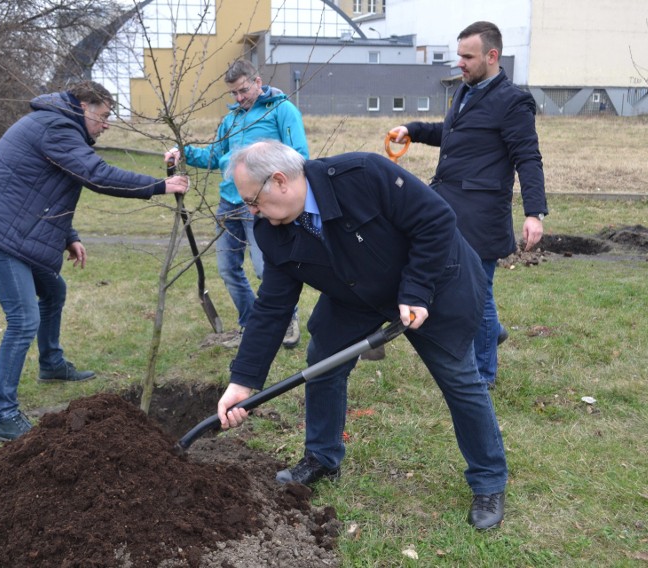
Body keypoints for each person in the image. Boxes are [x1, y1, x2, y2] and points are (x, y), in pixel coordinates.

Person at [215, 140, 509, 531]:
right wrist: (243, 381)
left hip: (432, 282)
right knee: (322, 364)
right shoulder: (273, 232)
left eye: (253, 201)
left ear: (280, 181)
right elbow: (272, 307)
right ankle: (322, 457)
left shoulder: (364, 175)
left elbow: (436, 220)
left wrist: (417, 291)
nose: (252, 212)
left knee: (459, 379)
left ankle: (489, 481)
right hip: (356, 293)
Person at [0, 81, 189, 442]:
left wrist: (69, 235)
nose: (107, 124)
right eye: (104, 115)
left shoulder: (56, 125)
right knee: (23, 320)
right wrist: (159, 186)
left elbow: (44, 187)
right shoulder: (58, 127)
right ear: (84, 106)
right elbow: (95, 175)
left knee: (53, 291)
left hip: (12, 232)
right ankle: (3, 415)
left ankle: (51, 364)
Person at [389, 21, 547, 387]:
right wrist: (412, 129)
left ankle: (484, 375)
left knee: (479, 294)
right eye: (458, 55)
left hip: (481, 217)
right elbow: (451, 135)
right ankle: (493, 333)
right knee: (451, 286)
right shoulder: (466, 91)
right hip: (447, 210)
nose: (459, 63)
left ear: (492, 56)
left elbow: (528, 158)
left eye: (467, 56)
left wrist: (534, 213)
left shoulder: (513, 102)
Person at [165, 59, 309, 350]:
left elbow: (298, 156)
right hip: (229, 203)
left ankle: (287, 320)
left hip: (260, 204)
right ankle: (251, 325)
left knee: (264, 267)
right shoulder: (231, 120)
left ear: (258, 82)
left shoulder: (281, 110)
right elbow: (215, 155)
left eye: (243, 90)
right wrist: (182, 152)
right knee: (228, 269)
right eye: (234, 93)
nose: (239, 98)